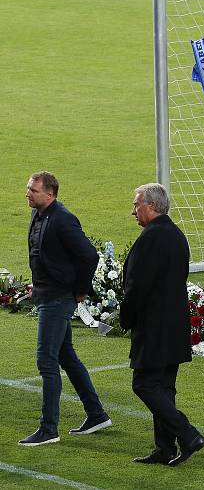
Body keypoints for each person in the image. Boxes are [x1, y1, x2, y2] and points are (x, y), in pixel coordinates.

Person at [19, 171, 112, 447]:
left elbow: (89, 255)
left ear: (50, 194)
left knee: (46, 360)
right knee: (66, 357)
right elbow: (44, 255)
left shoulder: (62, 219)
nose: (27, 193)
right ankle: (96, 414)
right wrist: (37, 285)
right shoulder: (38, 215)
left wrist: (80, 290)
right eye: (28, 188)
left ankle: (49, 429)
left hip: (59, 299)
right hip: (47, 294)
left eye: (33, 190)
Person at [120, 183, 204, 466]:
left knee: (144, 384)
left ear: (152, 206)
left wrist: (126, 316)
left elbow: (137, 286)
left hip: (154, 326)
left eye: (137, 205)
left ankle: (188, 433)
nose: (133, 211)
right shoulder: (177, 235)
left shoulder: (151, 238)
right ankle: (165, 447)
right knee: (165, 387)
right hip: (175, 324)